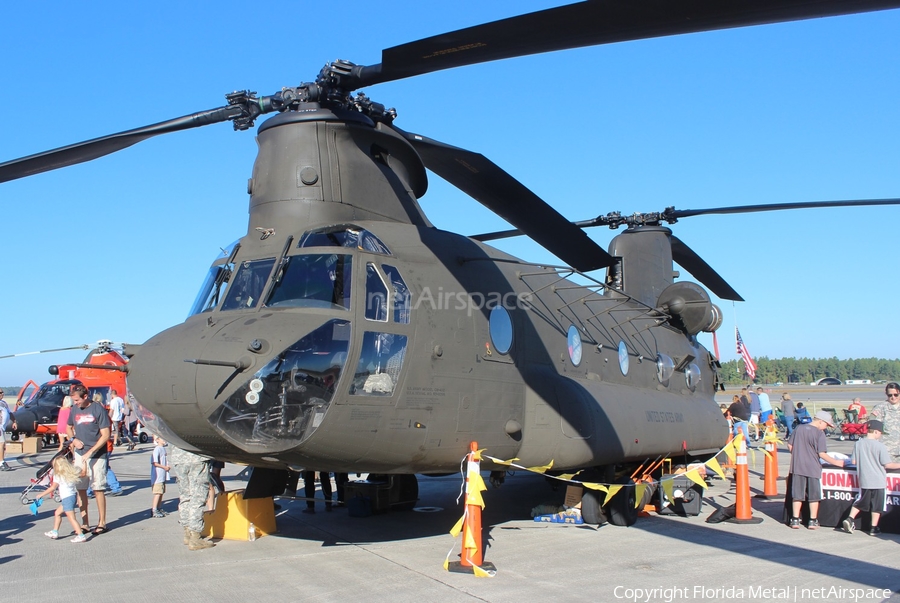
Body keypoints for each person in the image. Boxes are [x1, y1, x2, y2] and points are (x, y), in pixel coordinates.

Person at [787, 410, 846, 529]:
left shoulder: (798, 428)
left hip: (797, 467)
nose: (826, 428)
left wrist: (799, 454)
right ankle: (812, 520)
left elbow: (790, 446)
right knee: (814, 495)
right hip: (813, 468)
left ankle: (795, 519)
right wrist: (836, 462)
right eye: (826, 425)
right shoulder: (819, 434)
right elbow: (822, 454)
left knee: (797, 494)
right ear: (820, 422)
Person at [66, 384, 111, 535]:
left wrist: (90, 452)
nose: (75, 403)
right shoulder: (74, 409)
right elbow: (68, 427)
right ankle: (85, 523)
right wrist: (73, 439)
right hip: (80, 453)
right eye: (74, 401)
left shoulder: (98, 409)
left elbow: (105, 435)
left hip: (97, 454)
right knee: (81, 488)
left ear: (85, 397)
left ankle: (102, 523)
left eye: (77, 400)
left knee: (98, 488)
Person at [842, 420, 900, 536]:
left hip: (864, 479)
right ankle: (874, 527)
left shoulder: (858, 444)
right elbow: (887, 464)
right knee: (877, 505)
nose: (880, 436)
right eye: (880, 433)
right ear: (876, 432)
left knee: (861, 502)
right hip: (878, 480)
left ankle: (850, 518)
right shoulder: (880, 446)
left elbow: (853, 461)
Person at [169, 445, 215, 550]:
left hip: (178, 458)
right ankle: (195, 537)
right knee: (198, 497)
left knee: (185, 496)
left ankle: (187, 532)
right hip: (196, 456)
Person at [35, 455, 88, 543]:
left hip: (67, 498)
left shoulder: (58, 475)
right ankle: (54, 531)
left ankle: (81, 535)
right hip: (72, 496)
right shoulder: (72, 472)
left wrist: (41, 494)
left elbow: (53, 487)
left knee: (71, 518)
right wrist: (84, 463)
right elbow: (84, 473)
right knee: (57, 513)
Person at [870, 382, 900, 462]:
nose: (893, 397)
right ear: (886, 394)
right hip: (887, 451)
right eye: (890, 395)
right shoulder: (880, 408)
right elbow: (872, 431)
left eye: (896, 395)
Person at [150, 436, 170, 518]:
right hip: (157, 476)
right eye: (162, 438)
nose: (164, 440)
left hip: (162, 475)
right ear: (157, 440)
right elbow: (155, 462)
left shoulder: (163, 449)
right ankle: (154, 509)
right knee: (157, 493)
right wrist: (164, 467)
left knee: (161, 492)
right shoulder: (157, 449)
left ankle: (159, 507)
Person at [0, 389, 11, 471]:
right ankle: (1, 462)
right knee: (2, 443)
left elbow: (9, 413)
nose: (2, 394)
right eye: (0, 393)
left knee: (3, 444)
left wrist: (14, 421)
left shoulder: (3, 403)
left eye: (2, 392)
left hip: (2, 427)